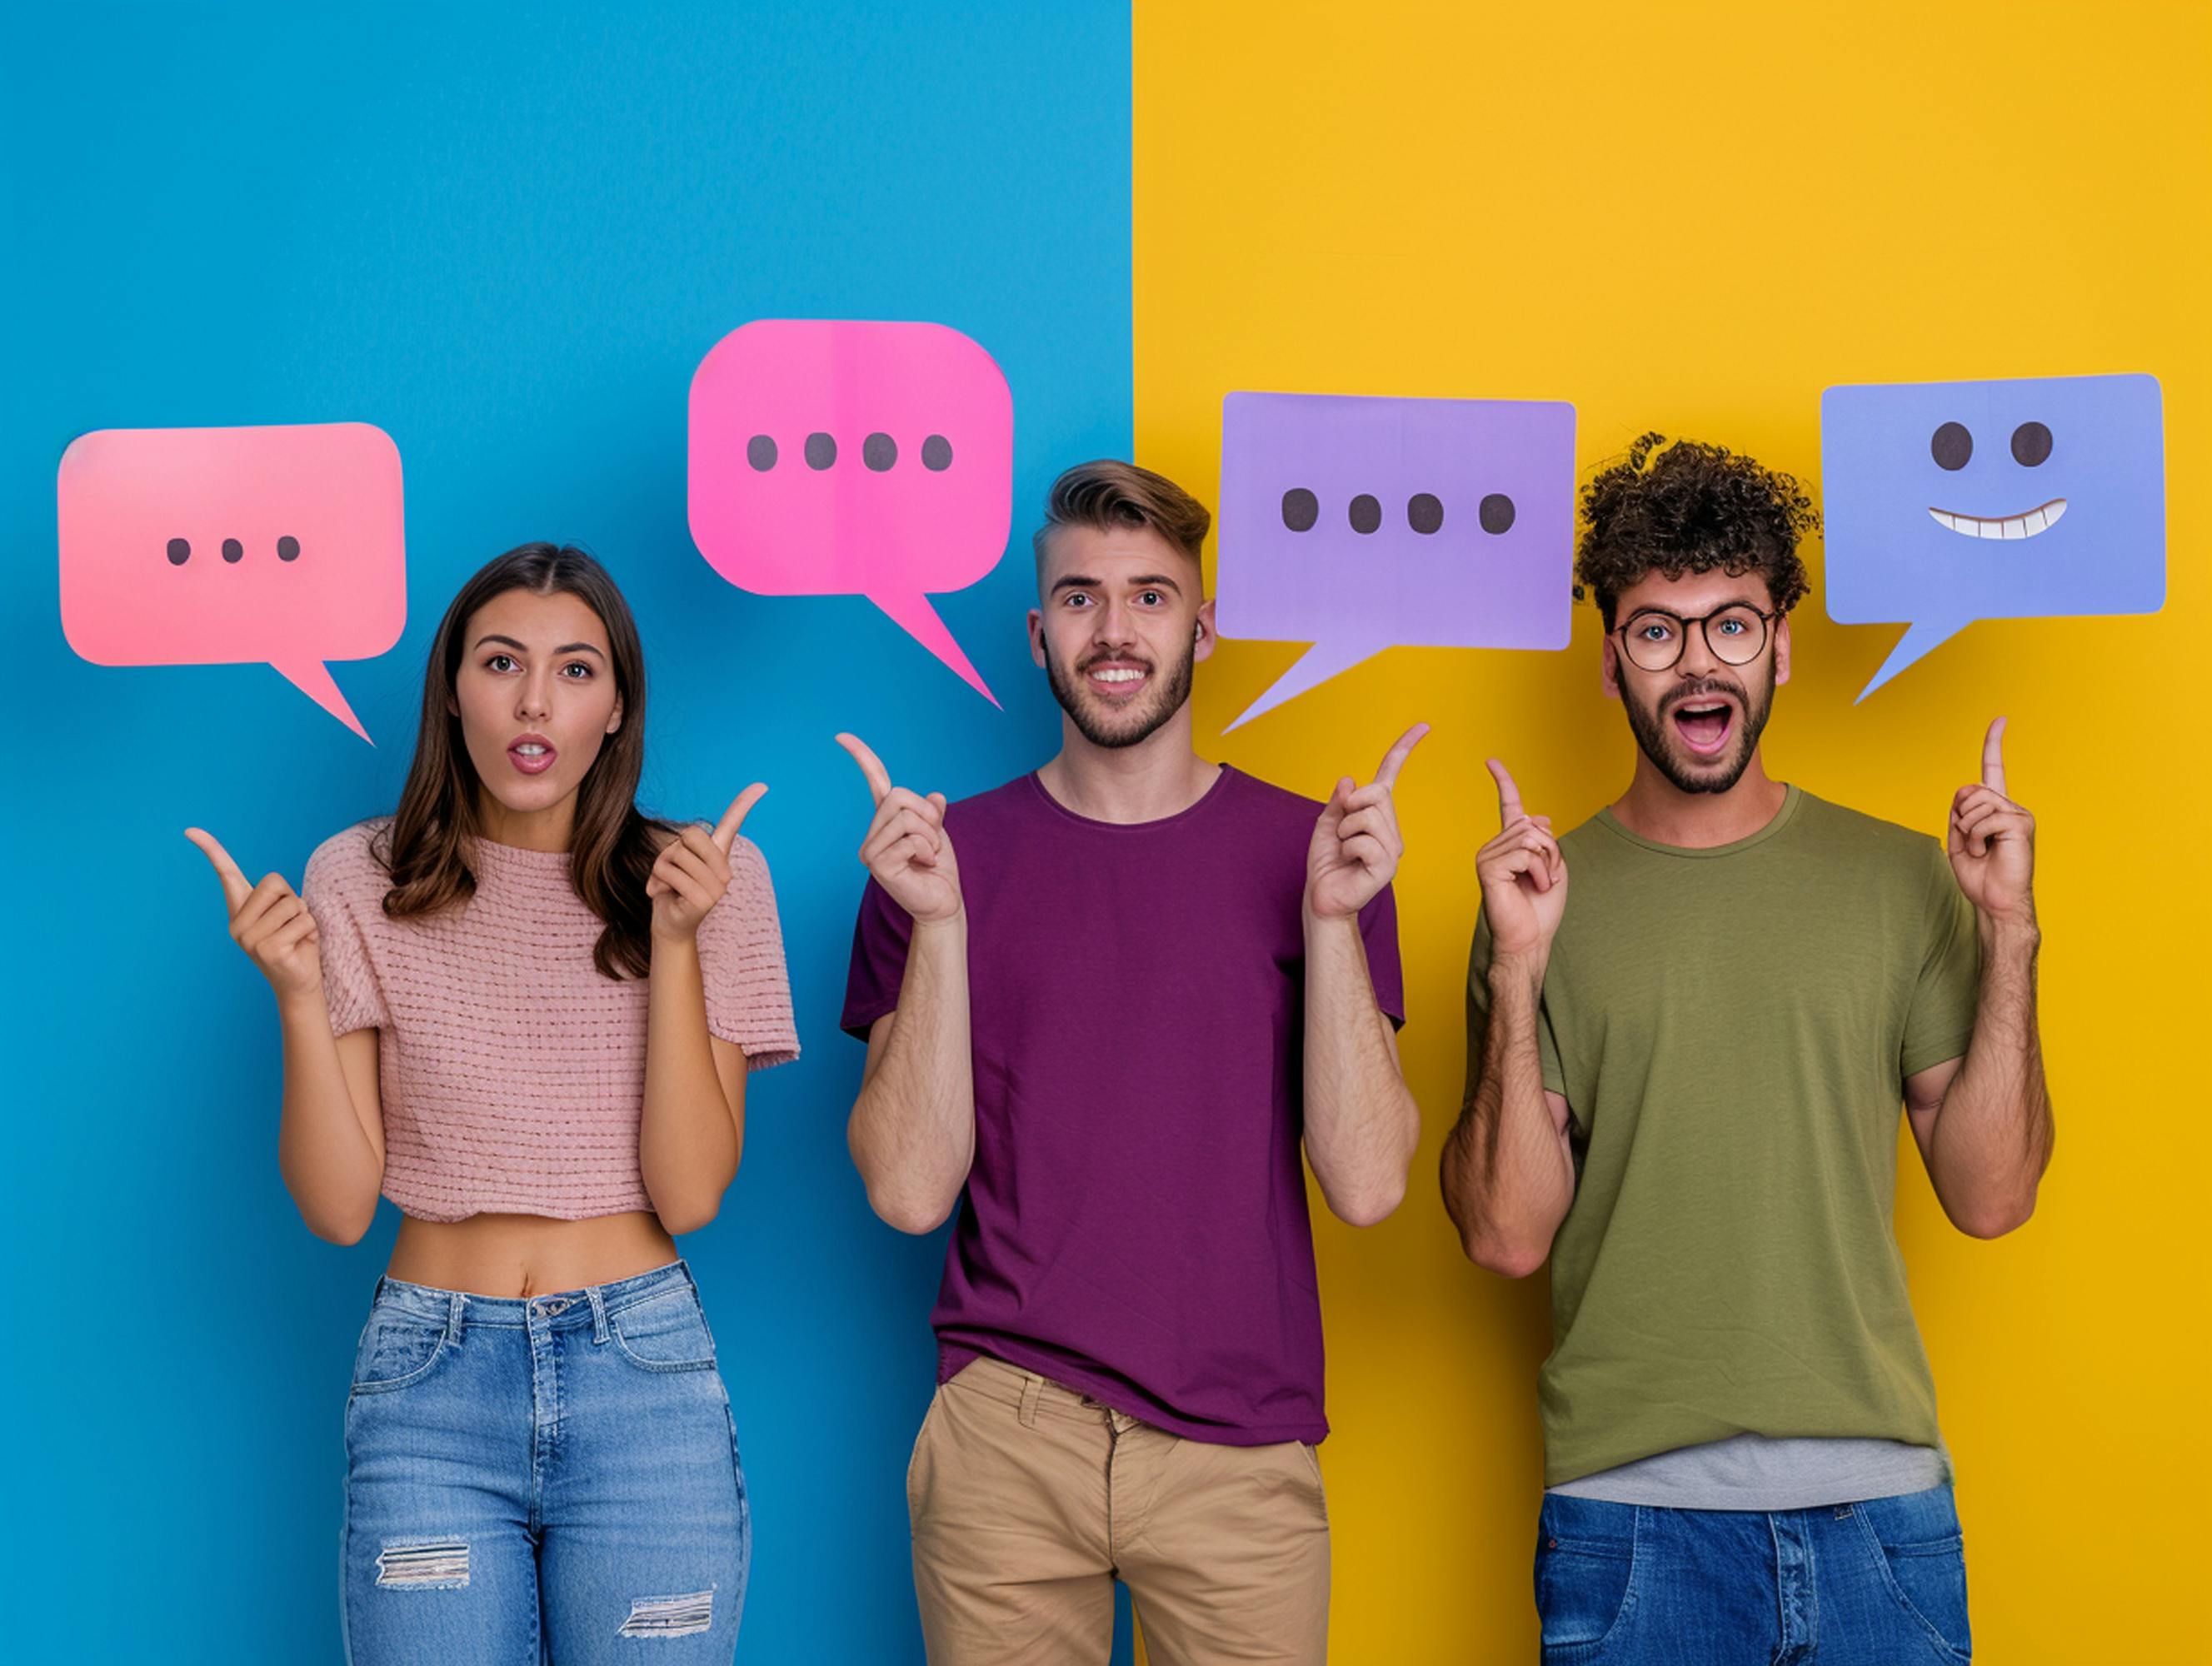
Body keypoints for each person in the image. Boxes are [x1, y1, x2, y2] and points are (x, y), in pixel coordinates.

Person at [1442, 434, 2052, 1664]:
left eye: (1731, 624)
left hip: (1881, 1519)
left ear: (1781, 645)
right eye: (1658, 631)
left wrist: (2010, 936)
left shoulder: (1896, 878)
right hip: (1631, 1527)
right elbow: (1506, 1236)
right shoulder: (1542, 898)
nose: (1697, 663)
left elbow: (1992, 1197)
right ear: (1613, 664)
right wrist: (1517, 967)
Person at [838, 460, 1424, 1665]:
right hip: (1008, 1432)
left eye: (1152, 596)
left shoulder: (1311, 856)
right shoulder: (942, 864)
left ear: (1204, 629)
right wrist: (940, 927)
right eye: (1082, 597)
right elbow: (906, 1191)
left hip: (1239, 1454)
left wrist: (1329, 923)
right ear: (1038, 633)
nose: (1116, 630)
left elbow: (1368, 1187)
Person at [187, 542, 797, 1664]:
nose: (533, 699)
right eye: (501, 661)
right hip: (429, 1388)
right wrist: (297, 997)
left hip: (642, 1381)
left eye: (575, 670)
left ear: (617, 708)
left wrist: (673, 942)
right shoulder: (358, 877)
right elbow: (337, 1206)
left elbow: (691, 1189)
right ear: (453, 691)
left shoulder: (708, 881)